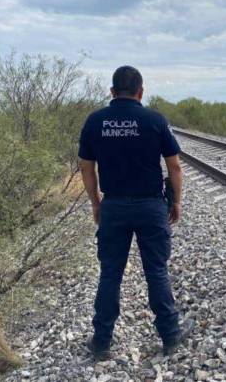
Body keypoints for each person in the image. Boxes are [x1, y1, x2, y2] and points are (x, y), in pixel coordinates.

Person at [78, 65, 193, 361]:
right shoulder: (154, 119)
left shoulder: (95, 121)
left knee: (110, 274)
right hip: (151, 206)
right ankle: (169, 337)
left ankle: (102, 342)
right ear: (141, 92)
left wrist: (95, 202)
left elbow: (87, 168)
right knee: (156, 271)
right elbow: (175, 167)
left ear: (112, 92)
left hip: (113, 206)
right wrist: (176, 201)